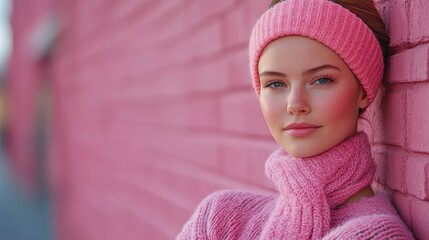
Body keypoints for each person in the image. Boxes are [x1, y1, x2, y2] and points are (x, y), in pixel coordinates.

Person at [177, 0, 414, 239]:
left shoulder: (377, 234)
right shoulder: (221, 216)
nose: (295, 104)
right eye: (275, 84)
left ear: (363, 91)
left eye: (321, 79)